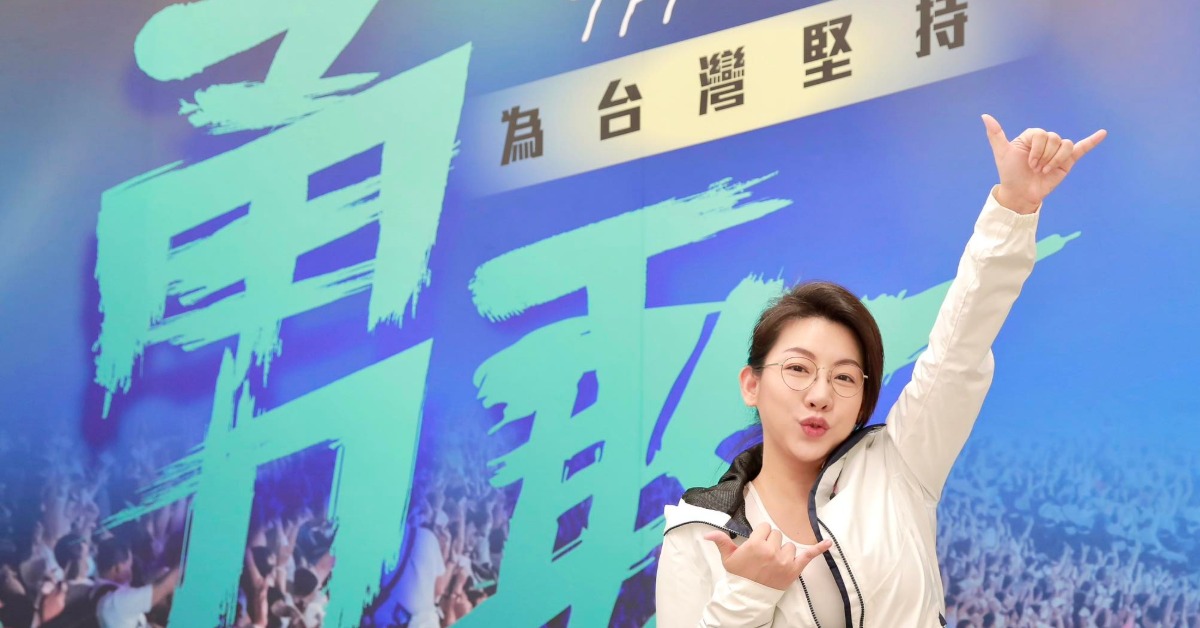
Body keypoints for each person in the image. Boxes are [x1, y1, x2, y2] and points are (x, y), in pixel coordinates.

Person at [655, 115, 1107, 627]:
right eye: (798, 369)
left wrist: (1015, 206)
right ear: (751, 384)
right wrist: (749, 594)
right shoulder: (698, 530)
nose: (820, 395)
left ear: (863, 400)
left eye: (845, 377)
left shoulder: (901, 465)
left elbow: (959, 348)